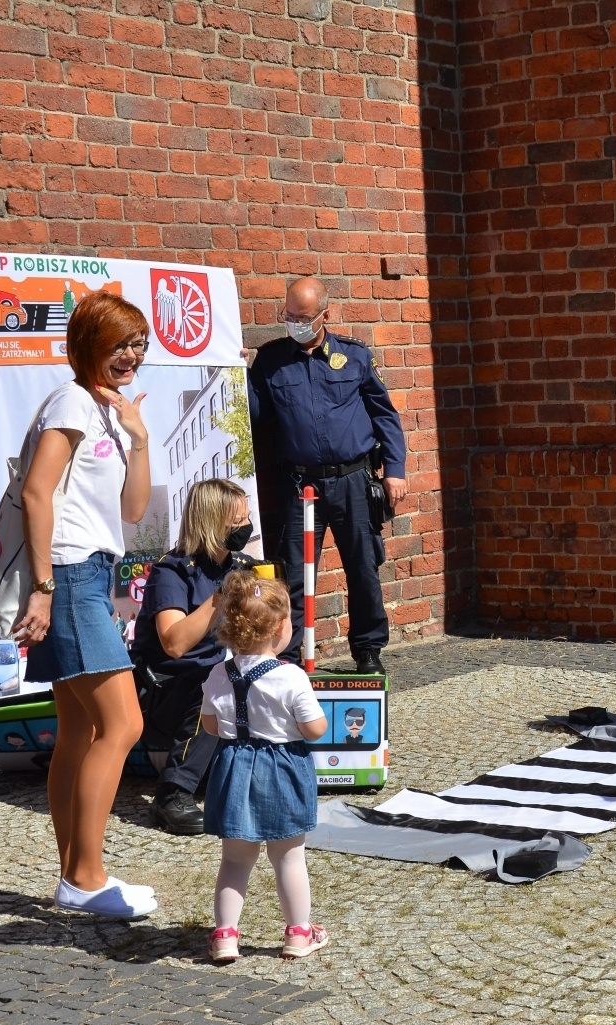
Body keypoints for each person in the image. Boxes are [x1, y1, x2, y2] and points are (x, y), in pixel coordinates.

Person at [11, 290, 157, 920]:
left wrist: (140, 439)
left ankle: (75, 873)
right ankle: (86, 878)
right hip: (68, 575)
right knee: (124, 725)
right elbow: (38, 493)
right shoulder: (71, 399)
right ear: (89, 345)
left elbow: (131, 511)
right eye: (119, 344)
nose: (131, 356)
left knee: (79, 730)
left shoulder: (106, 412)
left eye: (138, 344)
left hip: (93, 572)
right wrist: (42, 587)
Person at [247, 277, 408, 675]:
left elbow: (384, 415)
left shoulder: (353, 357)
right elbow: (253, 417)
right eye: (289, 316)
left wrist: (395, 470)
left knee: (363, 567)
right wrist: (235, 375)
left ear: (326, 315)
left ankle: (368, 651)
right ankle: (289, 656)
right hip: (299, 485)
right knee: (295, 575)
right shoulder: (270, 361)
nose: (295, 323)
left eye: (304, 317)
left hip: (352, 479)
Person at [201, 570, 330, 963]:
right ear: (278, 627)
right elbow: (314, 730)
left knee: (235, 860)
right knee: (288, 857)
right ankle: (298, 934)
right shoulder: (291, 677)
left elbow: (210, 725)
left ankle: (225, 935)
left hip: (233, 767)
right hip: (281, 771)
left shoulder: (217, 673)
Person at [130, 479, 258, 835]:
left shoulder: (243, 565)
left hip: (210, 680)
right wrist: (220, 597)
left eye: (247, 519)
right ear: (211, 521)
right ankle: (172, 793)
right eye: (236, 522)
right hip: (166, 688)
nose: (245, 529)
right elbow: (173, 643)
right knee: (217, 682)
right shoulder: (172, 571)